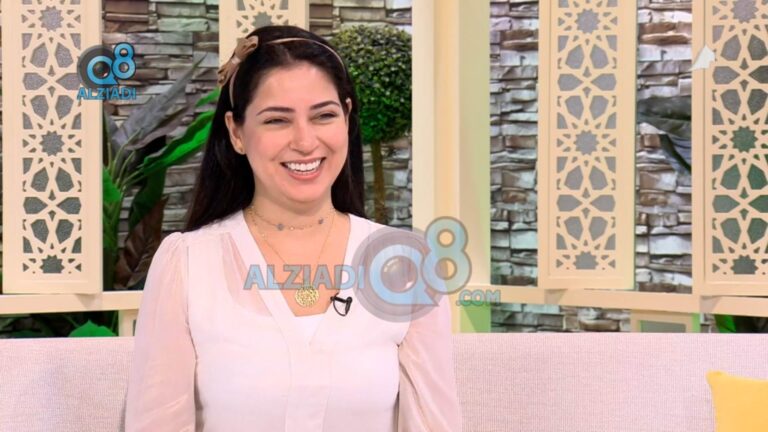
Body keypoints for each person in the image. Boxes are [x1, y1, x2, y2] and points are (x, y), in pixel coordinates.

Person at [124, 25, 462, 431]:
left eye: (324, 115)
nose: (305, 141)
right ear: (236, 132)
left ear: (347, 118)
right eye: (277, 120)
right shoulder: (187, 263)